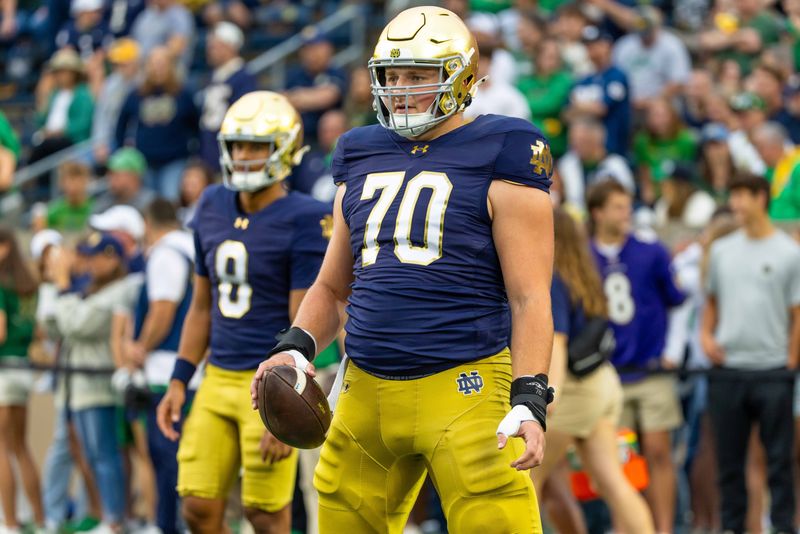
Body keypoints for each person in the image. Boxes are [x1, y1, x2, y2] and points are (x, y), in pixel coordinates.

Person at [250, 7, 555, 533]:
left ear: (460, 76)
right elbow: (333, 285)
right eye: (392, 76)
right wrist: (295, 345)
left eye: (418, 75)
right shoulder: (359, 150)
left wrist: (531, 397)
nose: (401, 89)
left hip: (466, 385)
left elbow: (530, 296)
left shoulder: (504, 148)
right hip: (365, 392)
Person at [156, 91, 331, 534]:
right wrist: (179, 378)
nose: (245, 156)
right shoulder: (211, 203)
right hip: (216, 377)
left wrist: (284, 402)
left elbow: (303, 319)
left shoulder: (305, 217)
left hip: (266, 379)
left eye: (257, 145)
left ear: (286, 148)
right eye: (238, 145)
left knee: (266, 515)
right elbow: (201, 305)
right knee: (196, 504)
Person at [534, 209, 654, 534]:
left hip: (573, 389)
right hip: (604, 382)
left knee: (526, 482)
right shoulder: (584, 275)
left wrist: (549, 395)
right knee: (613, 483)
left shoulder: (553, 277)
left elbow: (557, 341)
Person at [702, 174, 800, 534]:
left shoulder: (789, 253)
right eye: (733, 196)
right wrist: (706, 335)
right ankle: (732, 527)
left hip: (774, 370)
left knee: (780, 462)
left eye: (743, 196)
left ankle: (785, 527)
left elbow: (797, 314)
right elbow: (711, 301)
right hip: (728, 370)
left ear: (761, 198)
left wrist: (790, 362)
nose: (737, 205)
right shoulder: (723, 250)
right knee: (729, 463)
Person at [587, 180, 686, 534]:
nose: (625, 213)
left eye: (627, 206)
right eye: (616, 207)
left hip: (650, 369)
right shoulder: (585, 255)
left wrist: (672, 351)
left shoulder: (650, 251)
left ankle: (663, 529)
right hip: (609, 374)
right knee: (619, 462)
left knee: (659, 452)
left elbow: (677, 301)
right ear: (597, 212)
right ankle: (626, 528)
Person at [42, 232, 131, 533]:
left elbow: (77, 325)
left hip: (99, 387)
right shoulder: (91, 289)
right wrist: (57, 283)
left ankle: (115, 520)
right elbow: (54, 326)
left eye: (95, 256)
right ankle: (106, 516)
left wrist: (64, 284)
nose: (89, 262)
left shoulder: (121, 289)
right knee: (93, 456)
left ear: (113, 258)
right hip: (78, 388)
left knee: (105, 455)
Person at [127, 198, 197, 534]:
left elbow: (163, 310)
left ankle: (170, 525)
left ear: (149, 222)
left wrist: (141, 345)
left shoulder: (166, 254)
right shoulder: (193, 248)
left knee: (166, 452)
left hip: (167, 371)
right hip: (194, 367)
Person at [0, 226, 45, 533]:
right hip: (23, 368)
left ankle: (12, 522)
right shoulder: (29, 283)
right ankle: (40, 520)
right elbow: (37, 332)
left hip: (3, 369)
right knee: (20, 447)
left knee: (2, 448)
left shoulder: (1, 283)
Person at [198, 21, 256, 172]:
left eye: (215, 46)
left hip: (230, 154)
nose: (210, 51)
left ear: (230, 46)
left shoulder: (243, 77)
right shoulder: (214, 76)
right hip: (210, 151)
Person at [568, 25, 631, 156]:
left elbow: (601, 109)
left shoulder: (617, 76)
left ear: (608, 45)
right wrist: (587, 108)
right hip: (581, 153)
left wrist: (579, 106)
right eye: (588, 46)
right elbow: (566, 113)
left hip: (612, 150)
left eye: (597, 44)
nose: (593, 50)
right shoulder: (584, 79)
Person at [93, 148, 156, 214]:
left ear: (134, 176)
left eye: (115, 174)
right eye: (109, 174)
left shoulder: (151, 204)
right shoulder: (105, 201)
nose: (109, 178)